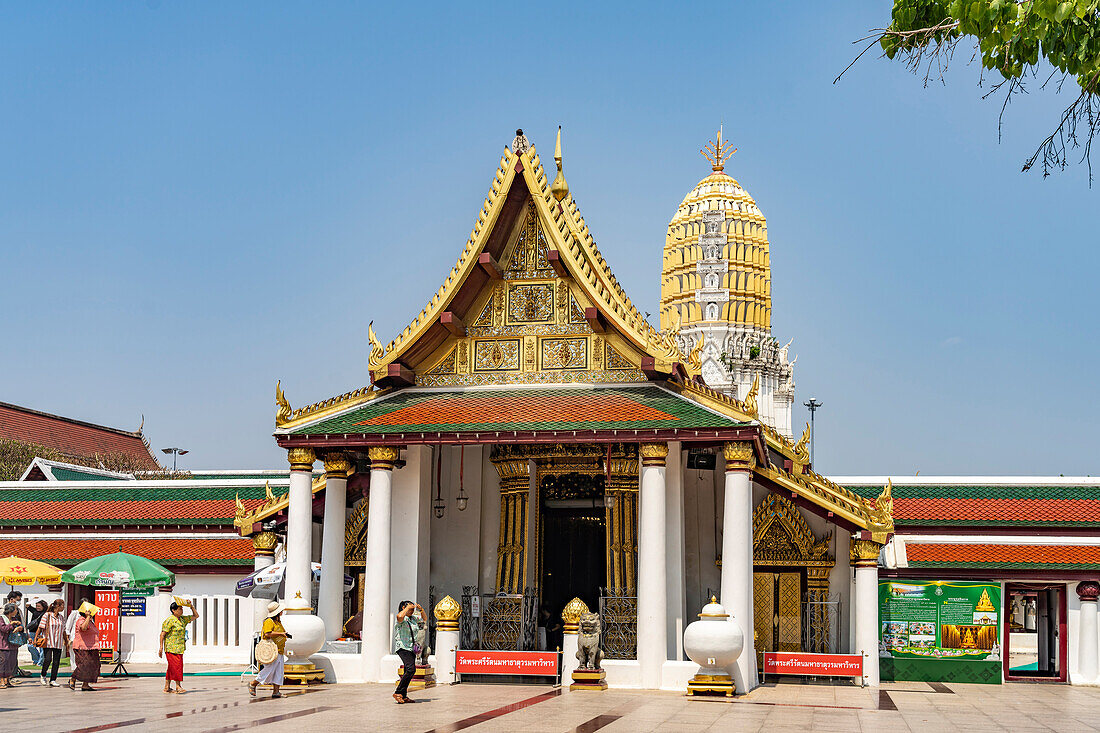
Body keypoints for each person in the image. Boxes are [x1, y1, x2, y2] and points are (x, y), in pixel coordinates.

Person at [158, 599, 199, 693]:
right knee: (177, 667)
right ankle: (178, 686)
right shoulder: (170, 620)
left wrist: (191, 607)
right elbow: (162, 634)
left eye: (182, 609)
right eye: (180, 609)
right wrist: (161, 647)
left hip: (180, 648)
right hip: (171, 648)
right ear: (174, 610)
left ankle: (167, 687)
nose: (181, 610)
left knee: (172, 667)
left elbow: (196, 616)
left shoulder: (182, 619)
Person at [248, 601, 287, 698]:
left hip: (279, 650)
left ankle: (276, 691)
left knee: (279, 671)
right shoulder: (269, 621)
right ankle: (253, 683)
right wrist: (281, 634)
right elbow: (267, 634)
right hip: (271, 650)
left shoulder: (277, 622)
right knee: (269, 669)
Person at [392, 600, 425, 704]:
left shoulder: (414, 619)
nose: (412, 611)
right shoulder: (402, 618)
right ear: (403, 608)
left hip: (411, 648)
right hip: (402, 647)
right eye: (410, 609)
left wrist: (421, 610)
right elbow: (399, 617)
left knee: (408, 670)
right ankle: (398, 692)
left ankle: (404, 695)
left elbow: (424, 619)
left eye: (413, 609)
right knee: (411, 669)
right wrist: (406, 608)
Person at [36, 600, 67, 687]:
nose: (63, 607)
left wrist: (66, 641)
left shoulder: (61, 617)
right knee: (48, 659)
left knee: (56, 662)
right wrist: (36, 638)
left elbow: (64, 630)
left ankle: (53, 679)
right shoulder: (47, 615)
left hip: (58, 642)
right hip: (48, 641)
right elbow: (40, 627)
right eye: (62, 605)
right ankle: (43, 675)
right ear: (57, 606)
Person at [69, 602, 100, 691]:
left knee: (93, 665)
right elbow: (83, 628)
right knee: (84, 665)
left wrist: (89, 618)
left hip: (92, 646)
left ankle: (85, 685)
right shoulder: (81, 620)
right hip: (82, 646)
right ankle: (73, 678)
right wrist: (87, 617)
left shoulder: (90, 621)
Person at [0, 603, 25, 689]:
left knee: (11, 663)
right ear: (10, 611)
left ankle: (7, 680)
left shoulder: (14, 618)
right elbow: (4, 629)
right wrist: (12, 624)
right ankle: (1, 681)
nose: (16, 611)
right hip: (4, 645)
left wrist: (19, 628)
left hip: (13, 644)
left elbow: (21, 626)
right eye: (15, 609)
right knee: (4, 663)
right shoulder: (1, 618)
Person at [26, 600, 47, 668]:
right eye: (36, 606)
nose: (37, 607)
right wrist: (33, 599)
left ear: (43, 607)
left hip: (41, 632)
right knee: (30, 646)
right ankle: (36, 660)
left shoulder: (46, 613)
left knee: (42, 649)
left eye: (39, 606)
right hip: (32, 632)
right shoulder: (34, 611)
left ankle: (40, 662)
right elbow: (27, 605)